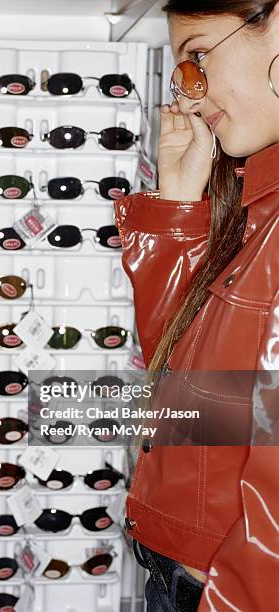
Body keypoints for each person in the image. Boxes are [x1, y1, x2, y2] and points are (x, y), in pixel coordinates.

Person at [114, 0, 278, 610]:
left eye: (199, 54)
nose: (188, 89)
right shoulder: (259, 205)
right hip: (182, 572)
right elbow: (192, 397)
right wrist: (182, 208)